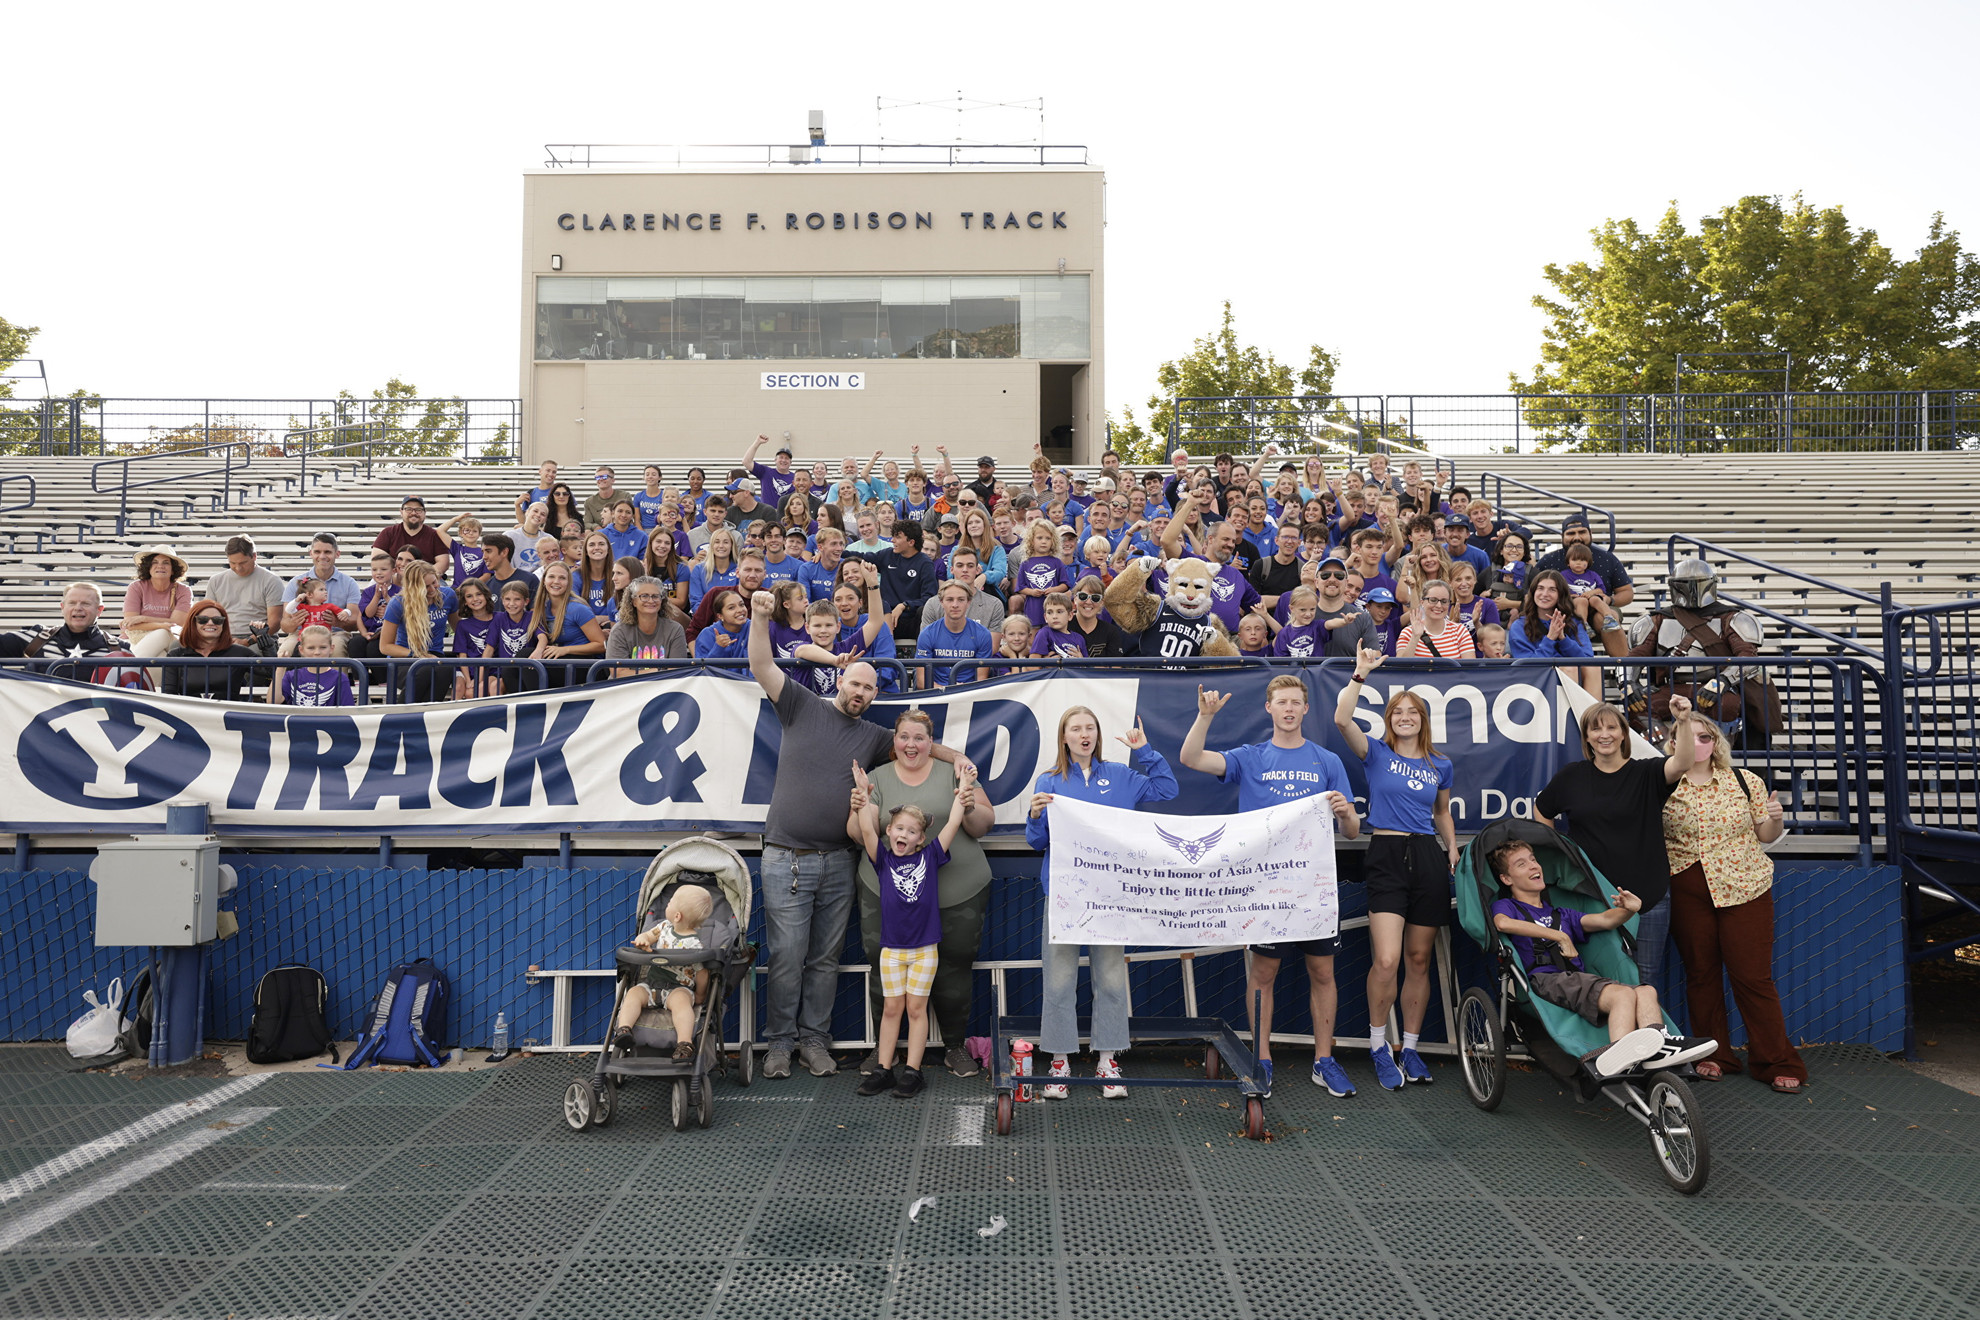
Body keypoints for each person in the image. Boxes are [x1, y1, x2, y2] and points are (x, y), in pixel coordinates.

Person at [745, 588, 968, 1081]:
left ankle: (815, 1043)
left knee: (824, 959)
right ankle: (779, 1044)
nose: (861, 693)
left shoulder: (873, 736)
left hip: (840, 861)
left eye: (870, 689)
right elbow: (761, 664)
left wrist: (958, 759)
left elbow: (919, 745)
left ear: (874, 696)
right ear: (840, 679)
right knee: (786, 955)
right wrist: (761, 618)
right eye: (856, 683)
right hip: (785, 857)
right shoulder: (801, 704)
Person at [1181, 677, 1362, 1097]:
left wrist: (1343, 814)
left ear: (1305, 710)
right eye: (1281, 702)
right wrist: (1205, 717)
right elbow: (1190, 758)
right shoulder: (1251, 757)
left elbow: (1352, 831)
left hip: (1314, 887)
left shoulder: (1327, 761)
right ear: (1269, 708)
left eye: (1296, 702)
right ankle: (1261, 1058)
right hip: (1263, 888)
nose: (1288, 709)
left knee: (1322, 971)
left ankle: (1324, 1060)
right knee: (1264, 972)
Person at [1026, 708, 1177, 1100]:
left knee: (1110, 979)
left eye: (1090, 727)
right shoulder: (1050, 780)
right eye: (1075, 728)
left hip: (1111, 897)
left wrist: (1145, 751)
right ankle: (1060, 1060)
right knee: (1058, 982)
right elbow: (1037, 843)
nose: (1084, 734)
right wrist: (1036, 815)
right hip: (1064, 897)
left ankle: (1108, 1059)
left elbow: (1167, 790)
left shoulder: (1122, 777)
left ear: (1097, 735)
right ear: (1064, 737)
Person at [1335, 644, 1459, 1092]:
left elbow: (1442, 811)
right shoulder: (1376, 754)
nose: (1405, 716)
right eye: (1398, 711)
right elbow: (1341, 720)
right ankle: (1376, 1046)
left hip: (1426, 856)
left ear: (1423, 719)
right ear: (1389, 719)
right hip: (1386, 856)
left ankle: (1409, 1046)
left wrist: (1450, 847)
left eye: (1413, 711)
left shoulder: (1440, 764)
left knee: (1419, 958)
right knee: (1386, 960)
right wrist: (1360, 675)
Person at [1661, 712, 1807, 1092]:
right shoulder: (1663, 784)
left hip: (1746, 886)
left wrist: (1776, 817)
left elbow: (1766, 834)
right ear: (1674, 743)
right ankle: (1714, 1054)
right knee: (1702, 975)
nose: (1698, 744)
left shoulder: (1744, 781)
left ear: (1717, 743)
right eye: (1688, 737)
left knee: (1753, 977)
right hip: (1688, 886)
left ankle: (1776, 1061)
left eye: (1705, 736)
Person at [1489, 840, 1703, 1078]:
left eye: (1532, 859)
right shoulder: (1507, 906)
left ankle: (1661, 1047)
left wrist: (1631, 909)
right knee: (1622, 994)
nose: (1532, 866)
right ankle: (1618, 1056)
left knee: (1646, 992)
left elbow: (1605, 920)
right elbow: (1502, 923)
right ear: (1507, 879)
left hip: (1578, 980)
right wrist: (1558, 936)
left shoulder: (1561, 914)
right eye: (1521, 864)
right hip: (1545, 979)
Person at [1535, 696, 1702, 985]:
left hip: (1648, 899)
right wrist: (1556, 853)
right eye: (1596, 729)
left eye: (1612, 728)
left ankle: (1646, 1032)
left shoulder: (1646, 772)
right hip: (1592, 899)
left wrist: (1684, 720)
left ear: (1623, 734)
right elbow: (1542, 809)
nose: (1604, 735)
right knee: (1596, 982)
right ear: (1586, 736)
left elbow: (1684, 762)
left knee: (1642, 981)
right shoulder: (1572, 776)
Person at [850, 762, 976, 1099]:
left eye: (911, 831)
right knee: (892, 1009)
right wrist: (863, 794)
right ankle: (884, 1069)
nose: (903, 834)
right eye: (898, 828)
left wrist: (964, 788)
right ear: (888, 831)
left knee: (916, 1010)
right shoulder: (883, 859)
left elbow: (952, 822)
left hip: (924, 949)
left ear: (921, 838)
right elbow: (864, 831)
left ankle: (913, 1072)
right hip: (892, 950)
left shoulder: (932, 856)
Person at [1626, 557, 1777, 745]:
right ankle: (1667, 754)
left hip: (1716, 686)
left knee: (1728, 705)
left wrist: (1721, 682)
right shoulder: (1656, 620)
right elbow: (1633, 658)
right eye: (1685, 584)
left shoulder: (1731, 618)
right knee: (1637, 706)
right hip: (1672, 688)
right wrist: (1628, 683)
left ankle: (1717, 756)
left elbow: (1747, 658)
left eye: (1696, 584)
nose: (1691, 590)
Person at [610, 884, 714, 1063]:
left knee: (682, 1005)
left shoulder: (694, 946)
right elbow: (650, 936)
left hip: (678, 989)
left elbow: (702, 973)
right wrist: (643, 939)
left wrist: (700, 995)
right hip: (651, 984)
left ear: (677, 915)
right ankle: (624, 1030)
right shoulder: (664, 927)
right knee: (633, 994)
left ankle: (684, 1043)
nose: (667, 904)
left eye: (671, 902)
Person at [378, 560, 459, 703]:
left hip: (434, 655)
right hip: (404, 658)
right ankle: (400, 716)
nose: (433, 589)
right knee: (425, 669)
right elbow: (385, 646)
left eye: (434, 582)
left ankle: (428, 717)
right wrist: (419, 655)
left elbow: (459, 629)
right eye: (426, 587)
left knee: (446, 670)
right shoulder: (398, 603)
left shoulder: (448, 596)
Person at [0, 583, 120, 668]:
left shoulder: (119, 649)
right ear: (62, 608)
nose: (78, 608)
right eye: (72, 603)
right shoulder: (33, 639)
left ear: (99, 610)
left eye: (86, 603)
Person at [526, 561, 605, 684]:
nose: (556, 581)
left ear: (568, 583)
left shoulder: (578, 609)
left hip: (582, 665)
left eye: (562, 578)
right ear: (544, 581)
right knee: (521, 660)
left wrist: (565, 650)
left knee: (529, 666)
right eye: (551, 577)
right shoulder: (543, 608)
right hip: (560, 661)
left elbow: (601, 645)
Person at [1534, 513, 1634, 609]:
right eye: (1571, 533)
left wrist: (1609, 600)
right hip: (1560, 610)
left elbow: (1626, 592)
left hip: (1601, 608)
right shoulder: (1549, 560)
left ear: (1590, 534)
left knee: (1607, 617)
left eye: (1582, 532)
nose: (1577, 537)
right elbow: (1530, 589)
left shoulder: (1608, 558)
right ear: (1562, 536)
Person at [205, 536, 285, 653]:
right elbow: (208, 615)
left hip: (259, 638)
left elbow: (275, 622)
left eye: (243, 563)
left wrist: (248, 641)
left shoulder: (271, 580)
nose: (238, 568)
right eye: (232, 563)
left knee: (247, 654)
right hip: (223, 636)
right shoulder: (216, 581)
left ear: (254, 556)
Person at [163, 601, 256, 701]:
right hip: (189, 714)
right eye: (203, 620)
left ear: (223, 624)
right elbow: (169, 696)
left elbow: (271, 671)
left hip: (227, 713)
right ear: (193, 623)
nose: (210, 623)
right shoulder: (176, 655)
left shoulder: (239, 652)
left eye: (217, 620)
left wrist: (266, 644)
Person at [916, 580, 996, 687]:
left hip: (969, 695)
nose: (955, 605)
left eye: (961, 600)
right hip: (936, 695)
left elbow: (980, 680)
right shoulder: (927, 634)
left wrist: (961, 692)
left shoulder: (982, 634)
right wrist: (947, 691)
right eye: (949, 599)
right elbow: (922, 681)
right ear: (941, 602)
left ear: (968, 602)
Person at [120, 544, 193, 659]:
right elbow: (130, 624)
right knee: (160, 656)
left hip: (171, 638)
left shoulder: (183, 590)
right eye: (155, 562)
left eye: (166, 563)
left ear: (173, 569)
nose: (160, 566)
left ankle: (128, 668)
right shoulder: (136, 587)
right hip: (137, 639)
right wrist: (161, 625)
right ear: (148, 567)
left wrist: (144, 619)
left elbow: (176, 623)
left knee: (162, 634)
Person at [606, 576, 689, 676]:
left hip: (664, 688)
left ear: (662, 600)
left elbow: (676, 672)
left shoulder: (675, 630)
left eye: (655, 596)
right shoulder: (619, 631)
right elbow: (619, 673)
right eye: (644, 596)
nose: (650, 601)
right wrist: (658, 671)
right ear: (633, 601)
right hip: (627, 688)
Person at [267, 626, 355, 706]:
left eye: (323, 647)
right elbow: (273, 702)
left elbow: (346, 710)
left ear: (331, 648)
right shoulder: (291, 676)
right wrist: (280, 668)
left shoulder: (339, 677)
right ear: (301, 650)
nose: (317, 652)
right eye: (311, 648)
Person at [1396, 580, 1476, 659]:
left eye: (1444, 601)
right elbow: (1401, 667)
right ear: (1422, 602)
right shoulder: (1407, 633)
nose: (1439, 605)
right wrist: (1415, 637)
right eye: (1433, 600)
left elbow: (1469, 668)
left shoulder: (1460, 631)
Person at [371, 496, 448, 566]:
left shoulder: (434, 535)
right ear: (401, 512)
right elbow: (377, 558)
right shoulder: (388, 532)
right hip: (394, 577)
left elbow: (443, 563)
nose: (413, 513)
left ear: (425, 513)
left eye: (418, 509)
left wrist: (425, 577)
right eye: (408, 509)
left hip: (425, 578)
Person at [740, 434, 800, 507]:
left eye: (787, 458)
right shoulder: (766, 472)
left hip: (786, 516)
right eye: (781, 457)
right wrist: (757, 442)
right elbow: (746, 461)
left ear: (790, 462)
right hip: (767, 514)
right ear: (775, 460)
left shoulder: (795, 478)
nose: (783, 460)